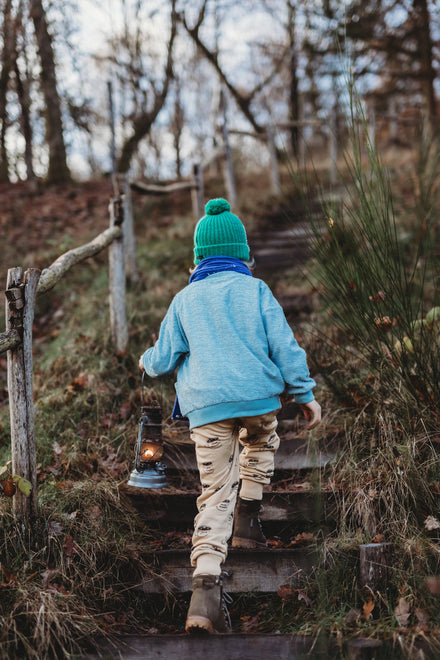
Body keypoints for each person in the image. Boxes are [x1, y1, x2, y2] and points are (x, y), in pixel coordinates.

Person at [139, 198, 321, 634]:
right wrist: (304, 393)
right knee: (261, 442)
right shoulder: (257, 290)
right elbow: (285, 346)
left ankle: (204, 589)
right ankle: (249, 518)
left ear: (198, 257)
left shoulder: (184, 299)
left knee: (215, 489)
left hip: (207, 410)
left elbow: (163, 359)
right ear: (243, 255)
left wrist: (146, 361)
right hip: (259, 400)